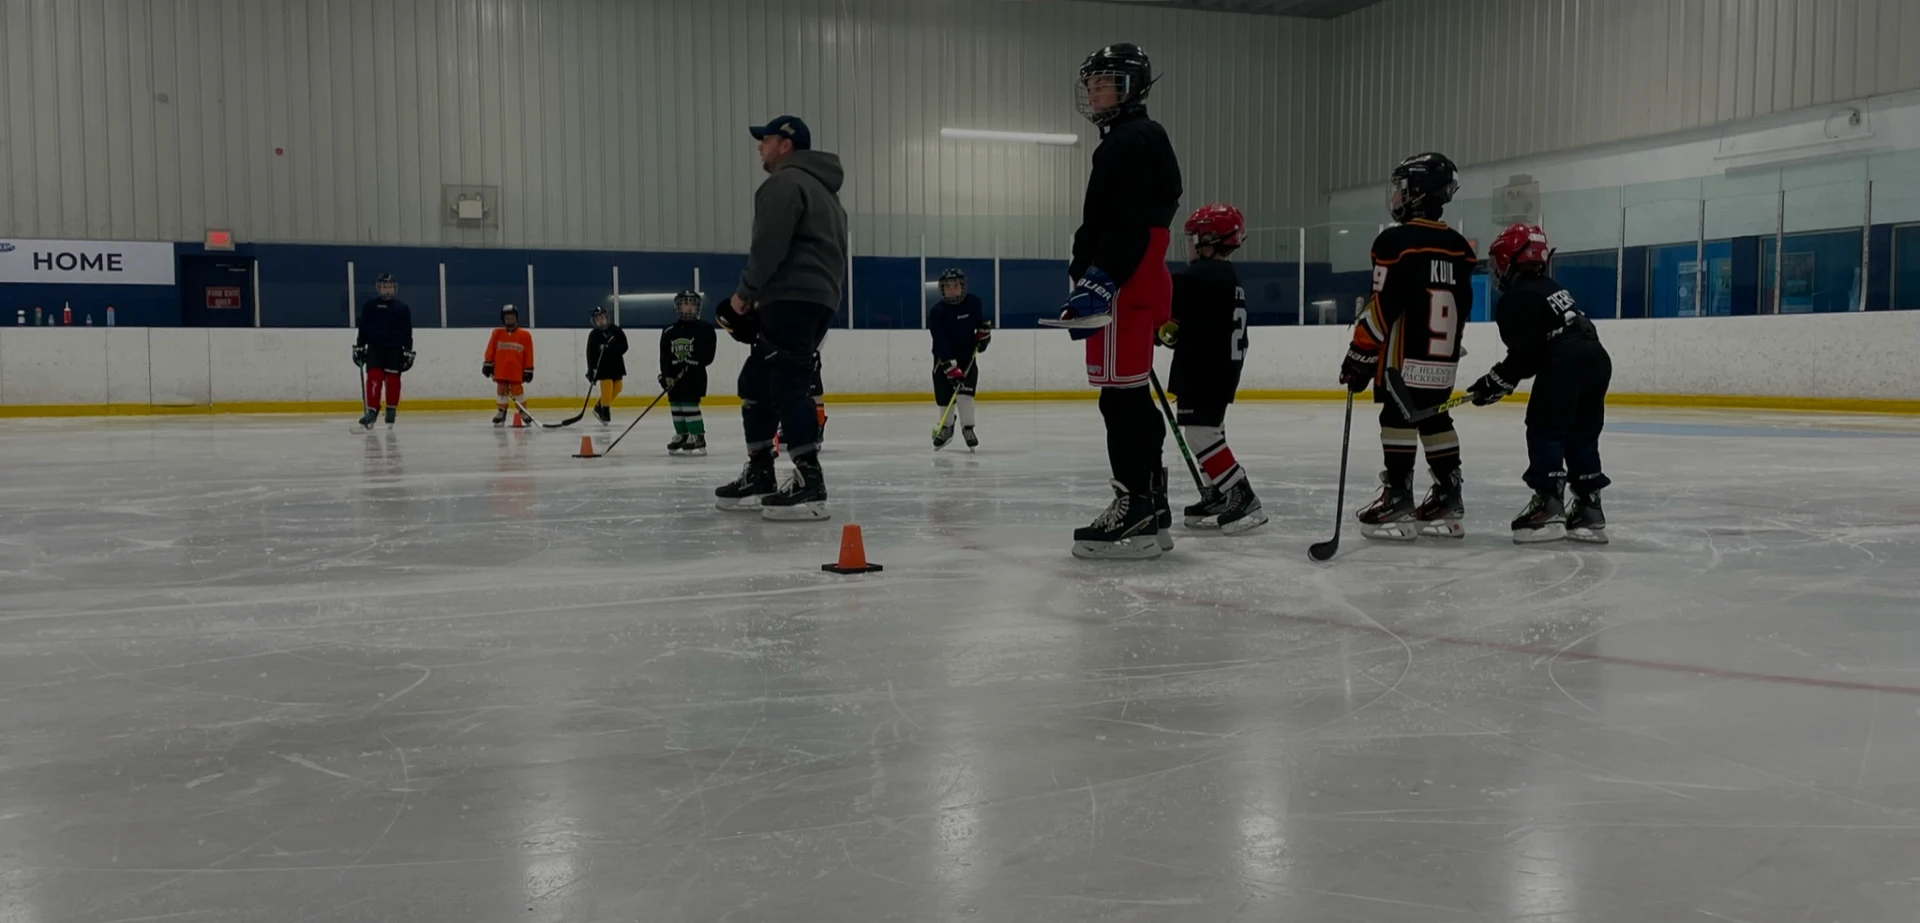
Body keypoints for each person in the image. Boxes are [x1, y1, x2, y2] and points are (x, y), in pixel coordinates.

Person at [1043, 43, 1182, 561]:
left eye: (1107, 82)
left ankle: (1136, 510)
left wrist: (1100, 276)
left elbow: (1130, 221)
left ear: (1133, 86)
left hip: (1124, 280)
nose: (1096, 91)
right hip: (1131, 277)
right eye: (1092, 83)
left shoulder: (1132, 139)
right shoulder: (1135, 139)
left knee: (1120, 399)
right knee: (1126, 397)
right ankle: (1152, 504)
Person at [711, 115, 847, 520]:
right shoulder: (827, 194)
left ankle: (809, 481)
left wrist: (742, 299)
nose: (759, 147)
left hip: (792, 298)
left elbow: (769, 246)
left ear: (785, 144)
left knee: (788, 382)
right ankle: (760, 472)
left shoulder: (784, 184)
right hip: (813, 298)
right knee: (756, 380)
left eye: (764, 140)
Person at [1338, 151, 1476, 541]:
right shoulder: (1461, 247)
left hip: (1402, 360)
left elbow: (1382, 305)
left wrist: (1359, 355)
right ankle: (1449, 495)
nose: (1396, 195)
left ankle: (1398, 497)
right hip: (1442, 358)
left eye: (1402, 188)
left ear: (1419, 192)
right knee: (1435, 418)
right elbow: (1462, 307)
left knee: (1396, 420)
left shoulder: (1396, 241)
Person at [1469, 223, 1614, 544]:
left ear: (1510, 258)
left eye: (1498, 260)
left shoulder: (1514, 299)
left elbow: (1526, 356)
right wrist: (1500, 381)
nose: (1496, 269)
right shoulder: (1552, 287)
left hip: (1566, 361)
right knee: (1582, 434)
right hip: (1596, 357)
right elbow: (1536, 351)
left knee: (1545, 428)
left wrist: (1494, 383)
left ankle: (1549, 504)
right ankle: (1590, 510)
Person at [1161, 204, 1264, 533]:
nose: (1189, 244)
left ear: (1210, 239)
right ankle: (1220, 493)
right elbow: (1197, 323)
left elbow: (1169, 311)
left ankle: (1240, 493)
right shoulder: (1225, 277)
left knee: (1201, 434)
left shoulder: (1203, 275)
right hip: (1219, 368)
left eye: (1193, 237)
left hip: (1205, 369)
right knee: (1211, 431)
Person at [928, 268, 993, 449]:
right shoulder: (937, 312)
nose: (951, 290)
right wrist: (949, 367)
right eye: (947, 286)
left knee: (965, 396)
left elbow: (983, 325)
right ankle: (947, 427)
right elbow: (940, 342)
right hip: (943, 360)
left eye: (955, 286)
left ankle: (968, 428)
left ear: (962, 287)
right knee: (944, 398)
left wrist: (984, 338)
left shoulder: (973, 303)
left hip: (967, 358)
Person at [352, 272, 414, 430]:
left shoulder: (402, 308)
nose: (387, 290)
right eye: (384, 286)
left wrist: (408, 350)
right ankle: (372, 411)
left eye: (389, 287)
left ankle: (391, 409)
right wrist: (359, 346)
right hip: (375, 349)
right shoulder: (370, 306)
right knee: (374, 378)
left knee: (393, 381)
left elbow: (407, 332)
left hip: (395, 350)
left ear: (395, 288)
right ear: (378, 288)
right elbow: (363, 328)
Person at [660, 291, 717, 455]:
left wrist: (692, 362)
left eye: (692, 303)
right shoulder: (669, 331)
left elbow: (708, 355)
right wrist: (665, 375)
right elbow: (664, 356)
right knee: (675, 404)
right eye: (685, 303)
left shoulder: (705, 329)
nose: (689, 307)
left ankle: (697, 435)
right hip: (674, 376)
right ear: (678, 306)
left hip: (694, 376)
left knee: (689, 403)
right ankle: (682, 434)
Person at [482, 304, 534, 427]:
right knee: (502, 391)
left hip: (516, 370)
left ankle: (523, 412)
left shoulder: (525, 335)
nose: (510, 320)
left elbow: (529, 353)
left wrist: (529, 369)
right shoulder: (497, 334)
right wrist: (488, 364)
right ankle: (501, 412)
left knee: (517, 391)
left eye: (512, 317)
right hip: (501, 370)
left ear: (516, 318)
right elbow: (491, 349)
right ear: (503, 319)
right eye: (507, 318)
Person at [585, 305, 629, 426]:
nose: (601, 320)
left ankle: (599, 406)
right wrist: (590, 370)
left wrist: (613, 345)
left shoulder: (616, 330)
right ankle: (605, 411)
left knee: (618, 387)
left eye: (602, 317)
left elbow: (625, 347)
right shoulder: (594, 335)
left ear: (606, 317)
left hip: (616, 364)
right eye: (598, 319)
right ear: (594, 321)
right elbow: (590, 354)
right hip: (602, 366)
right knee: (607, 385)